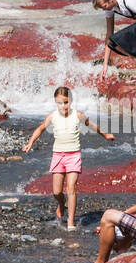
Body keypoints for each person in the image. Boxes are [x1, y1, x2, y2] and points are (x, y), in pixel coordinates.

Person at [22, 86, 115, 230]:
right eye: (59, 103)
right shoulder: (52, 116)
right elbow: (40, 129)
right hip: (58, 156)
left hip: (74, 155)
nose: (63, 106)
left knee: (71, 188)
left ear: (70, 101)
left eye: (65, 102)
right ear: (55, 102)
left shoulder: (77, 115)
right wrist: (30, 143)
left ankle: (70, 222)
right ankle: (61, 204)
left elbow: (91, 125)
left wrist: (105, 134)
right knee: (57, 192)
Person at [93, 0, 136, 76]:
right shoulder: (111, 7)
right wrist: (105, 65)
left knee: (122, 40)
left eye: (104, 7)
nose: (104, 10)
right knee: (113, 42)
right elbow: (109, 35)